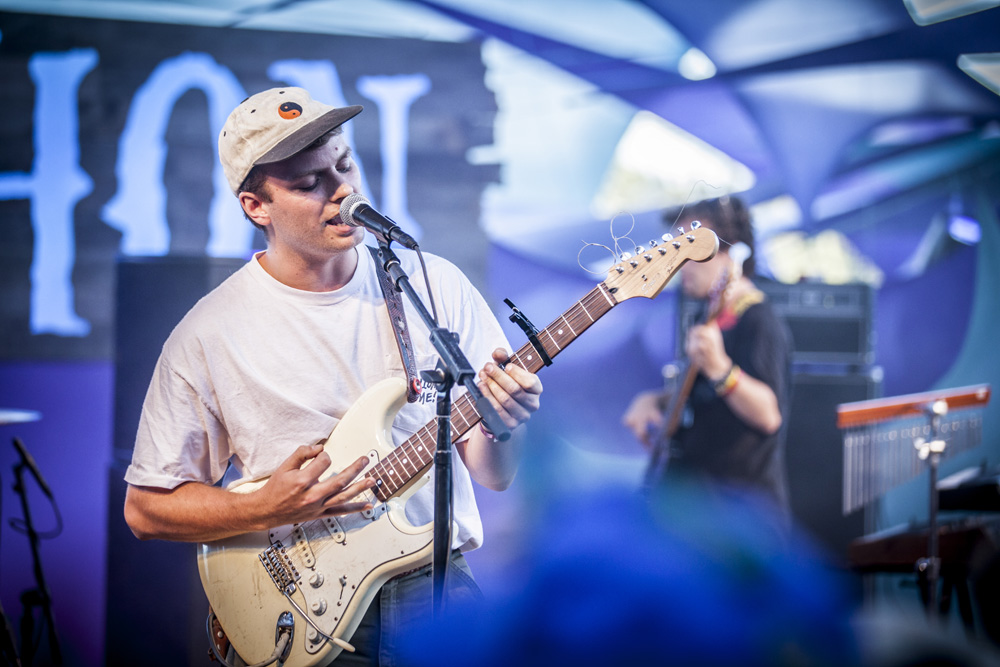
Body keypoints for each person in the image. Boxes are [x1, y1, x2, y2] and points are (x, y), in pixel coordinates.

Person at [122, 87, 542, 664]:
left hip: (435, 588)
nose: (343, 190)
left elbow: (494, 475)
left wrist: (502, 424)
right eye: (308, 182)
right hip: (297, 603)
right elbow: (146, 509)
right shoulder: (208, 333)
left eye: (344, 165)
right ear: (255, 206)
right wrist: (266, 507)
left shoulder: (431, 285)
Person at [622, 196, 792, 525]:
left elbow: (769, 414)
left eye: (692, 250)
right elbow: (705, 395)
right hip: (701, 508)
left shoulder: (759, 319)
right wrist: (654, 400)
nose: (678, 263)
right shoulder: (706, 314)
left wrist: (720, 369)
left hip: (743, 519)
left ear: (733, 252)